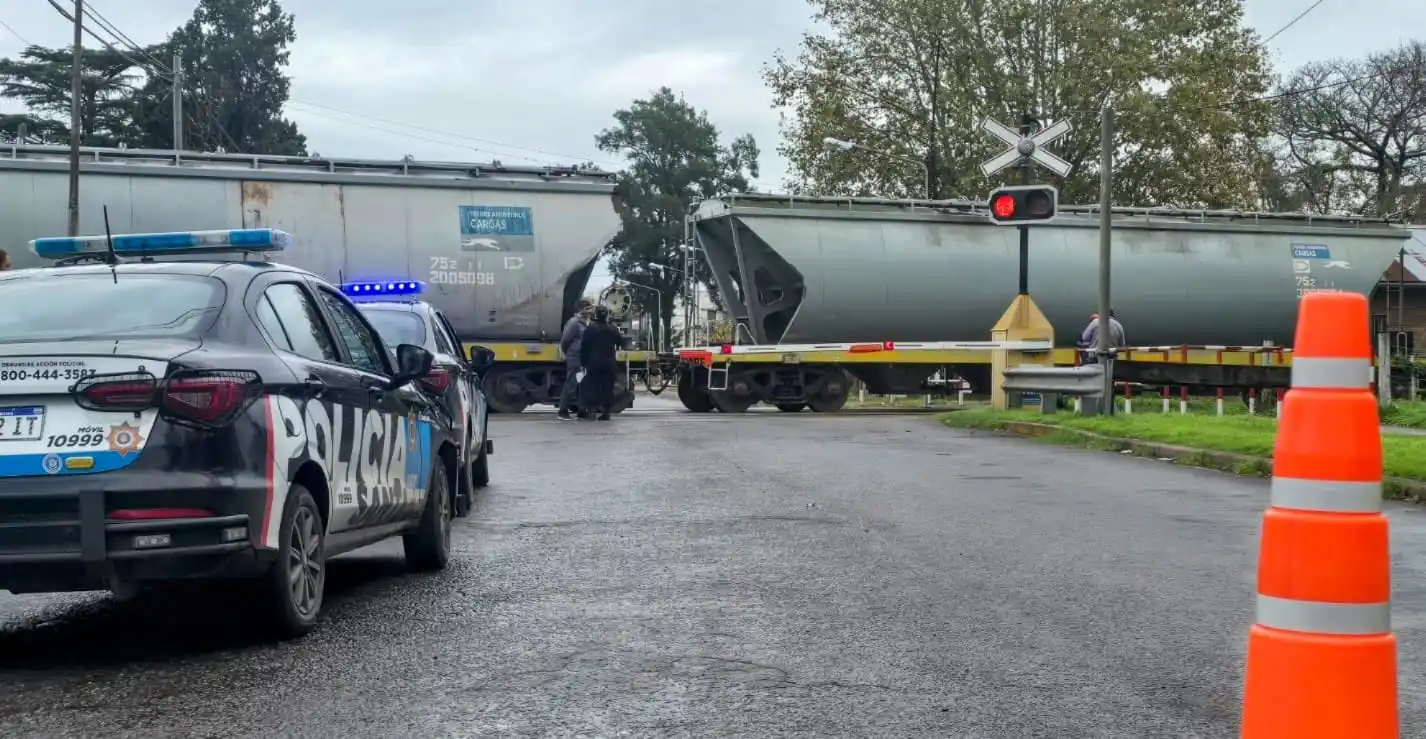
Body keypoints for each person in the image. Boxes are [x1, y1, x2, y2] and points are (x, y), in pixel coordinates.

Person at [578, 305, 623, 421]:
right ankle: (606, 412)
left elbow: (584, 346)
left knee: (592, 386)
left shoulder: (591, 328)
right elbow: (620, 341)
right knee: (607, 388)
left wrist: (583, 362)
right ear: (607, 315)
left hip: (593, 363)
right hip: (609, 363)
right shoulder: (612, 328)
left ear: (596, 314)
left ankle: (590, 410)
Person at [557, 298, 595, 421]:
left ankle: (582, 410)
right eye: (588, 308)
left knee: (582, 385)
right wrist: (568, 353)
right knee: (571, 384)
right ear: (582, 309)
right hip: (575, 357)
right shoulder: (574, 323)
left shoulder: (586, 322)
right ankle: (562, 410)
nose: (591, 311)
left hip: (584, 358)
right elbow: (565, 341)